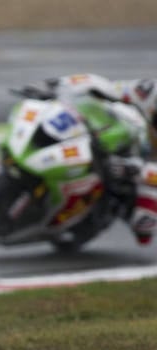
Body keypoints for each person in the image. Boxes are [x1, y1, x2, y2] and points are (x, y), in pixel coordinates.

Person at [27, 74, 157, 245]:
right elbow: (106, 87)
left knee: (144, 224)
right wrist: (57, 85)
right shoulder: (149, 92)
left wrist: (135, 170)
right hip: (114, 140)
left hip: (137, 174)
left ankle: (94, 215)